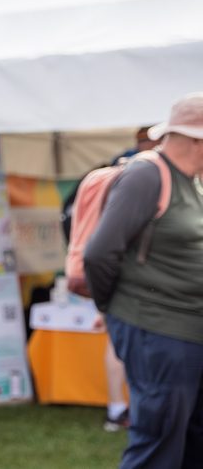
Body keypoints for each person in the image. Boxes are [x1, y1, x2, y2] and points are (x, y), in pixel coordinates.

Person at [84, 92, 203, 469]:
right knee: (158, 444)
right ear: (197, 140)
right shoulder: (147, 173)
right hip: (158, 329)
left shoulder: (191, 181)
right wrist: (115, 308)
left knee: (190, 441)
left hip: (184, 331)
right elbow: (98, 253)